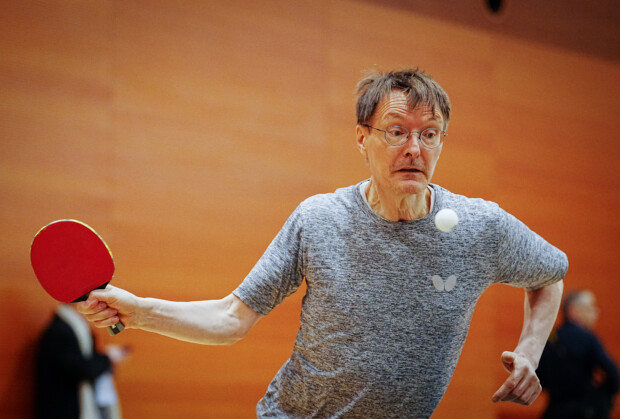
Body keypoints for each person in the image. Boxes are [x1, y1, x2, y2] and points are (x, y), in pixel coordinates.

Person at [77, 68, 568, 417]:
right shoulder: (320, 220)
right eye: (397, 131)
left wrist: (530, 351)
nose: (414, 149)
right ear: (362, 139)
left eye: (430, 134)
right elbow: (230, 318)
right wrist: (139, 311)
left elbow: (552, 273)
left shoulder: (481, 227)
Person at [35, 303, 128, 419]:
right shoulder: (60, 331)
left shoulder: (75, 329)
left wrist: (106, 358)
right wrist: (107, 358)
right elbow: (81, 369)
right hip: (63, 409)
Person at [537, 290, 619, 418]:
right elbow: (614, 375)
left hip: (554, 411)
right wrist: (600, 396)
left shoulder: (550, 339)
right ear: (573, 311)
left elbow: (539, 379)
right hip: (584, 412)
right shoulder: (588, 338)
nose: (596, 312)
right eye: (589, 308)